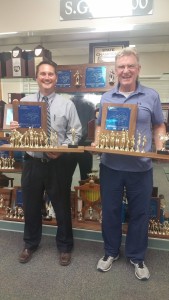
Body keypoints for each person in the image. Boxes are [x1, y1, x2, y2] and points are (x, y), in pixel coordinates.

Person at [92, 48, 166, 280]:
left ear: (138, 69)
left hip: (140, 168)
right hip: (111, 166)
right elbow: (100, 125)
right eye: (121, 67)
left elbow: (158, 125)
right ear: (115, 71)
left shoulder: (151, 96)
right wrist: (97, 140)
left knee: (140, 213)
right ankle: (111, 252)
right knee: (111, 211)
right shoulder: (106, 97)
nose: (126, 71)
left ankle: (136, 256)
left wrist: (160, 147)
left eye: (130, 66)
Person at [10, 60, 82, 266]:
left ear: (56, 78)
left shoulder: (67, 104)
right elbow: (19, 134)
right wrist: (14, 127)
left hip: (57, 164)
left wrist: (61, 150)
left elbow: (76, 133)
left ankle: (65, 246)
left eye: (51, 74)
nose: (47, 77)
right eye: (43, 74)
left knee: (61, 206)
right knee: (31, 206)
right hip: (32, 162)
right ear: (36, 77)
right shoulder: (24, 102)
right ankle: (30, 243)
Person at [67, 94, 95, 186]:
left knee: (66, 177)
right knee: (86, 177)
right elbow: (91, 124)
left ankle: (66, 199)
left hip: (69, 143)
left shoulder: (67, 103)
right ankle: (85, 200)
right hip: (85, 143)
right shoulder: (90, 104)